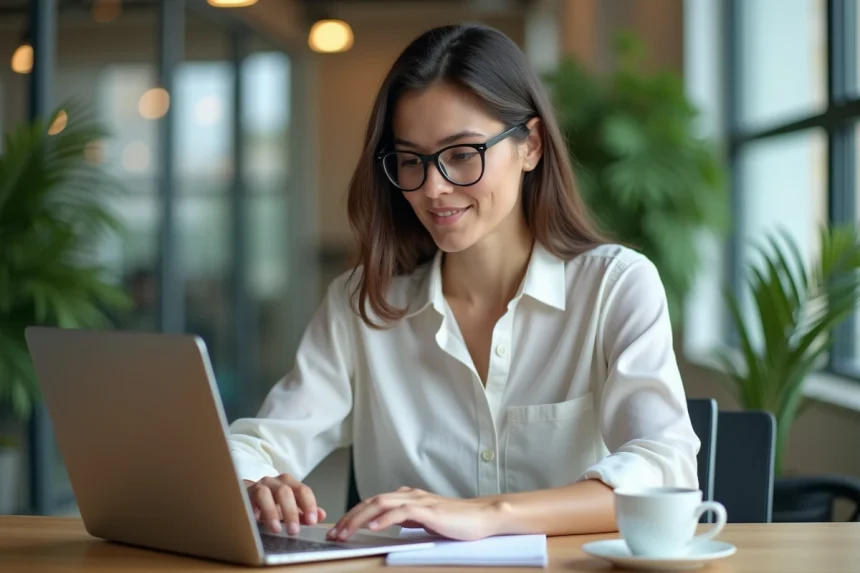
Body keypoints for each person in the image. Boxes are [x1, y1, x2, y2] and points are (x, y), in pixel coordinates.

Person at [228, 23, 700, 542]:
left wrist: (488, 514)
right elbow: (257, 446)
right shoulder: (363, 304)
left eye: (461, 154)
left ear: (531, 146)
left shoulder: (614, 287)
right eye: (411, 160)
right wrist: (255, 483)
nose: (433, 188)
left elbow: (665, 470)